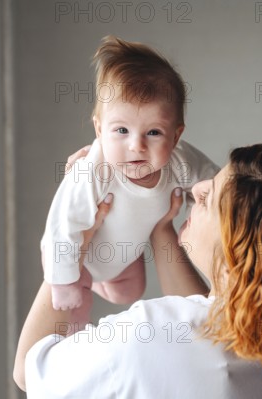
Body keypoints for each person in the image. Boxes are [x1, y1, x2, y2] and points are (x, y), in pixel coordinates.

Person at [15, 142, 262, 398]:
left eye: (210, 198)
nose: (196, 188)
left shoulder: (142, 339)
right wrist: (162, 228)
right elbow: (205, 334)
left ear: (241, 254)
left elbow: (33, 372)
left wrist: (70, 239)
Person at [41, 36, 219, 330]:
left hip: (124, 258)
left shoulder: (180, 160)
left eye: (153, 133)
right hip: (76, 256)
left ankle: (103, 284)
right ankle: (83, 286)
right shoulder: (93, 170)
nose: (136, 145)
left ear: (176, 136)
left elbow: (214, 183)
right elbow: (63, 223)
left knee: (129, 292)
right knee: (72, 314)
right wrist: (63, 279)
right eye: (121, 130)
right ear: (99, 129)